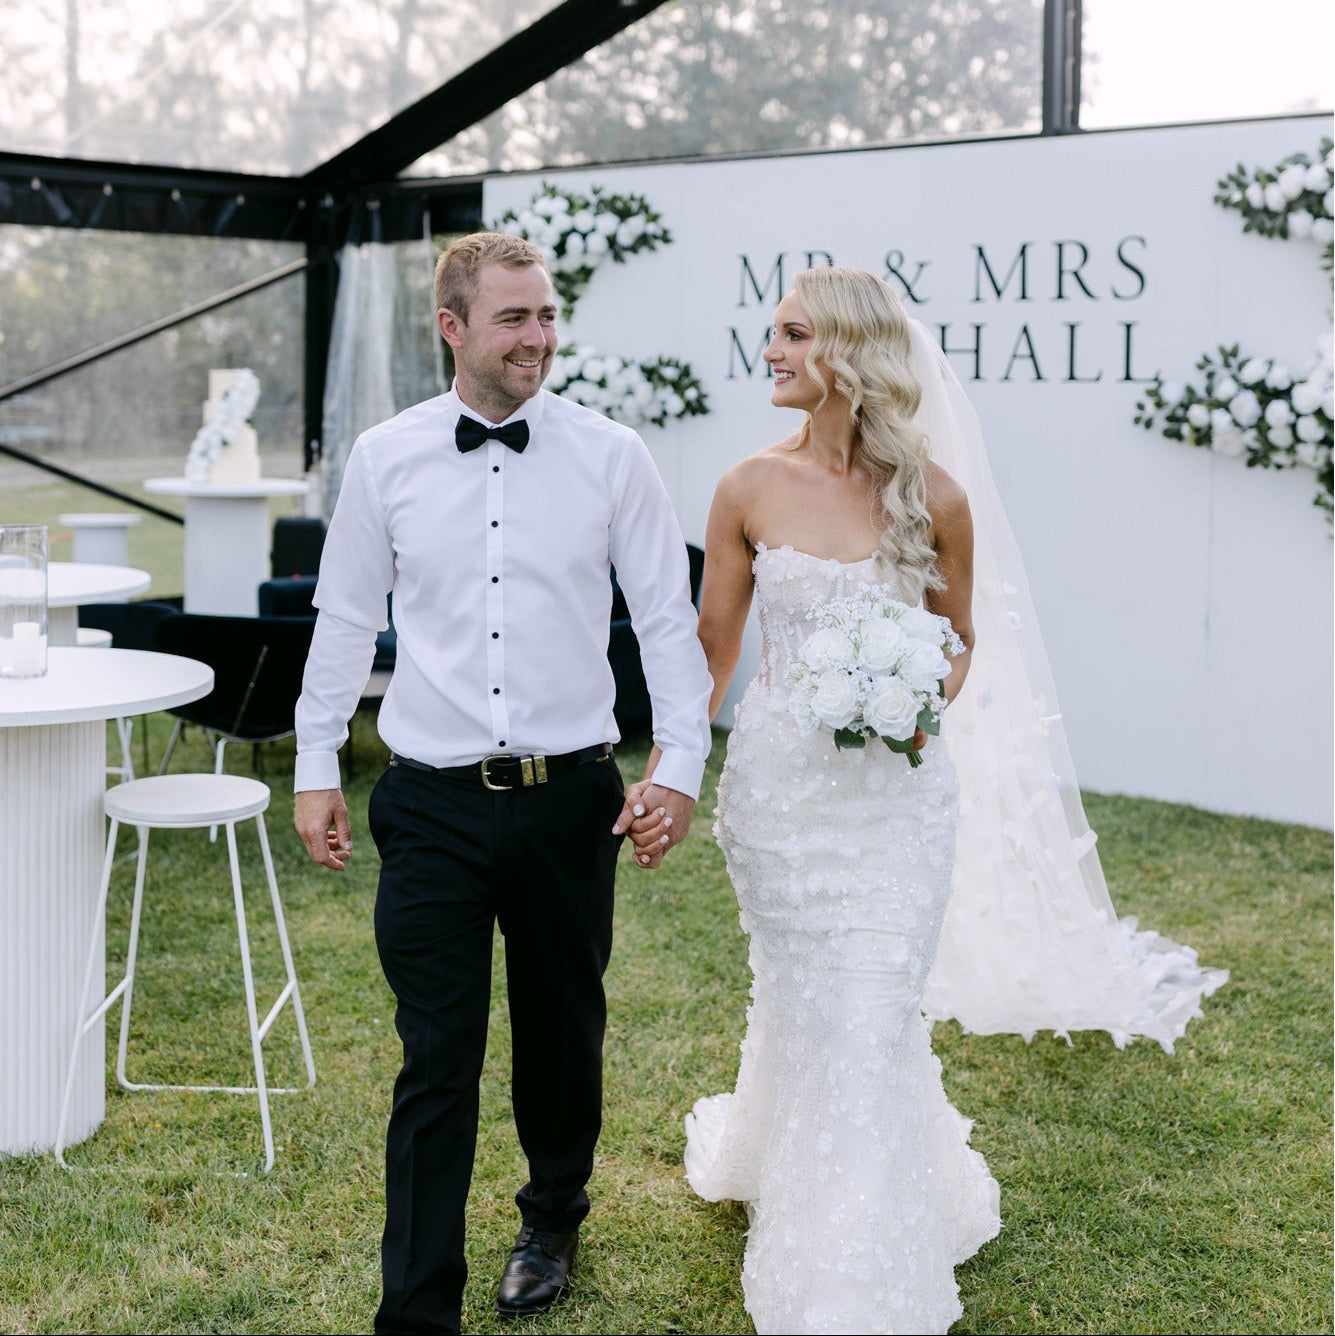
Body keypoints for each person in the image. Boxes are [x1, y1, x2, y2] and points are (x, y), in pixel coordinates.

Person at [292, 231, 712, 1336]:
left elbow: (665, 619)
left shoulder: (612, 455)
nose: (539, 337)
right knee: (436, 1052)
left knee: (559, 1033)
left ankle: (552, 1214)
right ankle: (418, 1304)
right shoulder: (385, 459)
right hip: (426, 798)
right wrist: (313, 763)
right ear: (453, 328)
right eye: (514, 318)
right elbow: (343, 619)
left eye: (546, 315)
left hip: (570, 795)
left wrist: (679, 766)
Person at [624, 266, 1001, 1334]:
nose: (771, 350)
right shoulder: (746, 487)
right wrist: (669, 769)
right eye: (772, 331)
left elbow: (959, 641)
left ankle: (853, 1265)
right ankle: (803, 1189)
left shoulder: (936, 499)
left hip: (898, 803)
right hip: (785, 798)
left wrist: (921, 698)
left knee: (872, 1009)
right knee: (811, 1000)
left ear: (851, 349)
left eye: (792, 334)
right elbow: (713, 649)